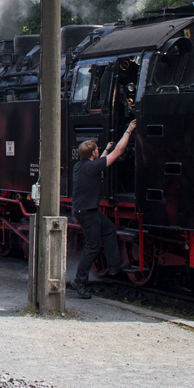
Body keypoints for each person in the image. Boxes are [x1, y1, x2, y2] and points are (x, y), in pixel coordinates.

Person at [71, 119, 139, 300]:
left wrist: (106, 150)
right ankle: (79, 281)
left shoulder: (80, 166)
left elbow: (100, 161)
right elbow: (119, 152)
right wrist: (129, 130)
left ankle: (115, 265)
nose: (99, 151)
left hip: (86, 210)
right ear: (93, 153)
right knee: (93, 245)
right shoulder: (92, 167)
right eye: (97, 149)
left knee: (109, 229)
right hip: (86, 212)